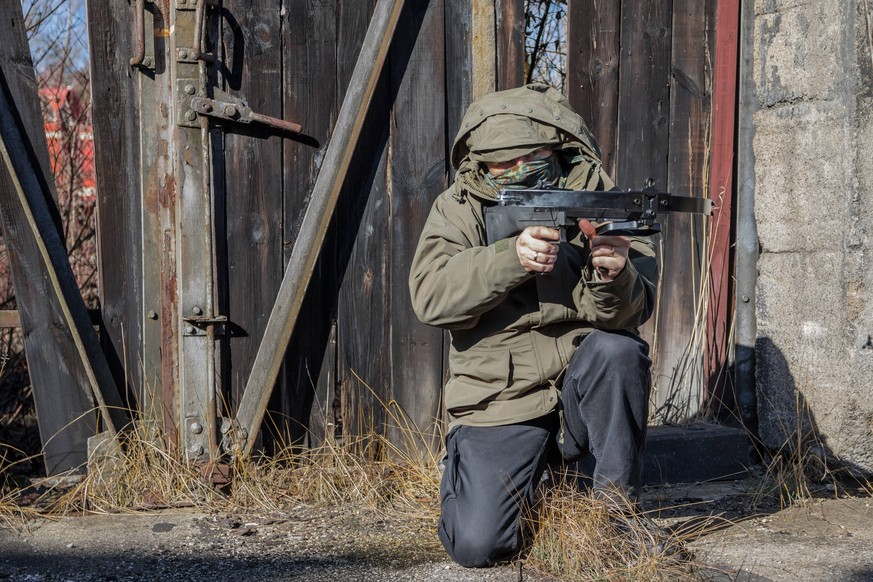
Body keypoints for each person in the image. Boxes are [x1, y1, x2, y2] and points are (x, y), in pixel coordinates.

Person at [408, 84, 660, 567]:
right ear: (480, 162)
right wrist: (509, 258)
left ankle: (615, 516)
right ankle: (508, 474)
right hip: (501, 395)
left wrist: (613, 273)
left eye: (532, 155)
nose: (518, 169)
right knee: (478, 546)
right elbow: (431, 299)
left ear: (557, 148)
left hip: (579, 384)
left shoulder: (601, 199)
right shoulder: (458, 208)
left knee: (618, 351)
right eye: (502, 162)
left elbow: (631, 314)